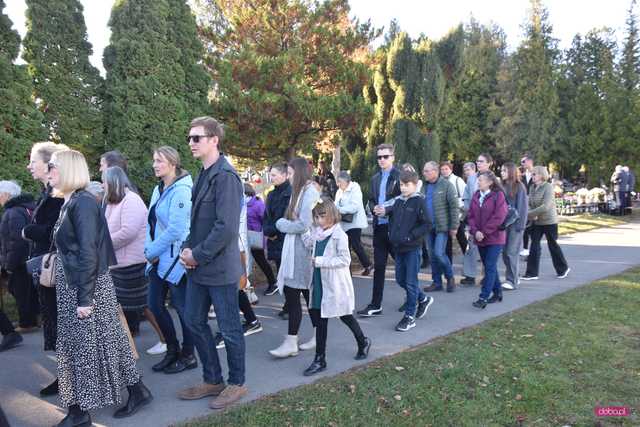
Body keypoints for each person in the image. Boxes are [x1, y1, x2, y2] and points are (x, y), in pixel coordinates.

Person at [48, 150, 152, 426]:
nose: (49, 172)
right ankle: (137, 390)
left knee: (82, 346)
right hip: (80, 284)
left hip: (85, 286)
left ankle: (79, 412)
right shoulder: (71, 201)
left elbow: (89, 253)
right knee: (110, 339)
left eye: (53, 167)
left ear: (69, 170)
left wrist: (84, 298)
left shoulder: (81, 203)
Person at [178, 116, 247, 409]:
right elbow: (198, 224)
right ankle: (213, 379)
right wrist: (186, 249)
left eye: (197, 138)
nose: (192, 143)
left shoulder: (226, 177)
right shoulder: (204, 174)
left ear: (214, 140)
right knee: (193, 320)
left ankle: (237, 383)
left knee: (230, 328)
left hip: (219, 269)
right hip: (199, 268)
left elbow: (226, 228)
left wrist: (197, 254)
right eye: (190, 138)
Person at [299, 197, 371, 376]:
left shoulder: (340, 235)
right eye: (316, 217)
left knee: (345, 316)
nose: (318, 220)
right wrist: (302, 229)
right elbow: (310, 244)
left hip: (334, 284)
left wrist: (321, 261)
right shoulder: (317, 233)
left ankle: (362, 341)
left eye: (322, 216)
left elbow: (345, 260)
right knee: (320, 321)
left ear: (331, 215)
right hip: (318, 283)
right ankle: (320, 359)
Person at [144, 146, 196, 374]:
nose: (155, 164)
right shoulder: (159, 188)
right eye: (154, 160)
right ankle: (172, 349)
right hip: (157, 256)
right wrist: (150, 250)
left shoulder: (182, 190)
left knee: (183, 308)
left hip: (176, 258)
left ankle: (188, 354)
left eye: (160, 161)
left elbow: (177, 229)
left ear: (173, 163)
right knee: (154, 305)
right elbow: (151, 222)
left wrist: (152, 250)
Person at [23, 141, 69, 397]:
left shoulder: (60, 195)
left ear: (49, 163)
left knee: (65, 328)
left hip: (59, 271)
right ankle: (65, 378)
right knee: (56, 326)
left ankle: (70, 383)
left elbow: (56, 232)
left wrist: (28, 231)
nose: (29, 166)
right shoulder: (48, 193)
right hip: (47, 269)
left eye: (33, 161)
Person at [269, 157, 320, 357]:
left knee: (306, 296)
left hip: (303, 252)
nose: (288, 177)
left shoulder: (309, 192)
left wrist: (282, 224)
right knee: (296, 295)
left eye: (290, 173)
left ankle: (312, 336)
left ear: (298, 173)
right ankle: (294, 340)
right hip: (294, 251)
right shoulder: (299, 192)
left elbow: (304, 225)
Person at [103, 166, 150, 338]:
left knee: (143, 305)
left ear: (113, 182)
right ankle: (126, 343)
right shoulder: (112, 202)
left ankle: (166, 340)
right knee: (123, 307)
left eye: (104, 182)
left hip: (132, 263)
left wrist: (104, 244)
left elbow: (128, 232)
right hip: (118, 262)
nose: (103, 186)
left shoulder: (131, 200)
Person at [386, 170, 435, 331]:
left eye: (407, 185)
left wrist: (410, 236)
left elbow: (427, 224)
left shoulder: (418, 201)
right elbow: (394, 221)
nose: (404, 188)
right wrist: (392, 235)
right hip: (399, 247)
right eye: (401, 185)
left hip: (412, 248)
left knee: (411, 282)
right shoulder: (399, 201)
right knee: (400, 280)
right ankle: (423, 299)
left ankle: (409, 317)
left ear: (415, 185)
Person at [357, 143, 401, 317]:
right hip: (379, 228)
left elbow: (403, 199)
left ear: (393, 158)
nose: (382, 160)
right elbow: (371, 199)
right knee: (380, 268)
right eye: (379, 157)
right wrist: (375, 207)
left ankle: (418, 298)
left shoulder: (399, 176)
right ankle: (376, 304)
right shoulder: (375, 178)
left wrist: (387, 210)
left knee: (403, 267)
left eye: (385, 156)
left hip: (395, 228)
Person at [0, 181, 38, 332]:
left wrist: (8, 264)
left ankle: (26, 323)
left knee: (20, 291)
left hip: (18, 259)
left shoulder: (13, 212)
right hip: (27, 257)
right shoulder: (25, 208)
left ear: (7, 195)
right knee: (27, 291)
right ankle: (32, 320)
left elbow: (16, 240)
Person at [467, 171, 508, 309]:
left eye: (481, 180)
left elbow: (499, 217)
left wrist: (484, 232)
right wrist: (475, 231)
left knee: (489, 266)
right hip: (480, 237)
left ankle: (483, 297)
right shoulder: (476, 195)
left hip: (495, 238)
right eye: (478, 180)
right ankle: (497, 293)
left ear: (490, 182)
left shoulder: (498, 195)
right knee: (490, 266)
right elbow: (471, 216)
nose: (478, 182)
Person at [522, 166, 570, 281]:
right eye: (532, 174)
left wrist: (530, 214)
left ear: (541, 175)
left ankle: (563, 268)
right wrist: (531, 213)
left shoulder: (548, 187)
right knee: (534, 246)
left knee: (552, 245)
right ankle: (532, 273)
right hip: (537, 221)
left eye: (534, 174)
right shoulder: (532, 187)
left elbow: (546, 206)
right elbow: (529, 202)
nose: (532, 176)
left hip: (549, 221)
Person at [421, 161, 459, 293]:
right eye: (424, 171)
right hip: (428, 227)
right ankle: (436, 282)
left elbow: (454, 207)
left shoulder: (447, 185)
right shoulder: (424, 186)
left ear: (435, 172)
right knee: (432, 256)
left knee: (439, 253)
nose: (424, 173)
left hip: (442, 227)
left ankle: (450, 278)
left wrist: (454, 226)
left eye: (426, 171)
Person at [334, 171, 372, 276]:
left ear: (347, 181)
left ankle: (367, 265)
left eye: (340, 182)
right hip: (344, 223)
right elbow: (335, 204)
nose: (338, 184)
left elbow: (355, 206)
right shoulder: (339, 191)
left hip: (355, 222)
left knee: (355, 244)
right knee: (346, 247)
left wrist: (340, 209)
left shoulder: (355, 188)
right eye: (337, 182)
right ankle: (348, 270)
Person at [500, 163, 528, 290]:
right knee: (505, 253)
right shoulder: (502, 186)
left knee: (512, 252)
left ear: (511, 171)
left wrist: (520, 226)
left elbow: (522, 208)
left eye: (504, 170)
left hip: (515, 225)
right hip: (504, 224)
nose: (502, 172)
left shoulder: (519, 186)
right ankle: (513, 277)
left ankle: (512, 280)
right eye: (501, 170)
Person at [245, 183, 277, 290]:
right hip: (245, 238)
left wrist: (266, 233)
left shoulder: (257, 204)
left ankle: (272, 282)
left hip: (256, 237)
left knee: (261, 260)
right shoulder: (242, 205)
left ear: (247, 193)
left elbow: (265, 219)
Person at [440, 161, 468, 260]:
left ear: (451, 169)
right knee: (447, 241)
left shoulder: (457, 180)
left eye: (446, 169)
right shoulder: (440, 181)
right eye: (442, 169)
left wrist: (455, 202)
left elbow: (465, 196)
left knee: (461, 238)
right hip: (445, 216)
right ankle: (449, 263)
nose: (444, 171)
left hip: (458, 215)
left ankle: (469, 260)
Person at [460, 162, 479, 286]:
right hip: (474, 219)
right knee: (473, 248)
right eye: (465, 169)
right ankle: (472, 275)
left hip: (476, 219)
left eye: (468, 169)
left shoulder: (473, 181)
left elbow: (470, 203)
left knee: (473, 248)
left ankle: (471, 275)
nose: (466, 171)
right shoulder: (470, 181)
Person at [519, 155, 535, 256]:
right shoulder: (522, 175)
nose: (522, 164)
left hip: (534, 203)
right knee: (525, 225)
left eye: (523, 162)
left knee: (533, 228)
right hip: (524, 203)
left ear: (530, 161)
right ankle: (525, 248)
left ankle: (533, 249)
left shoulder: (537, 173)